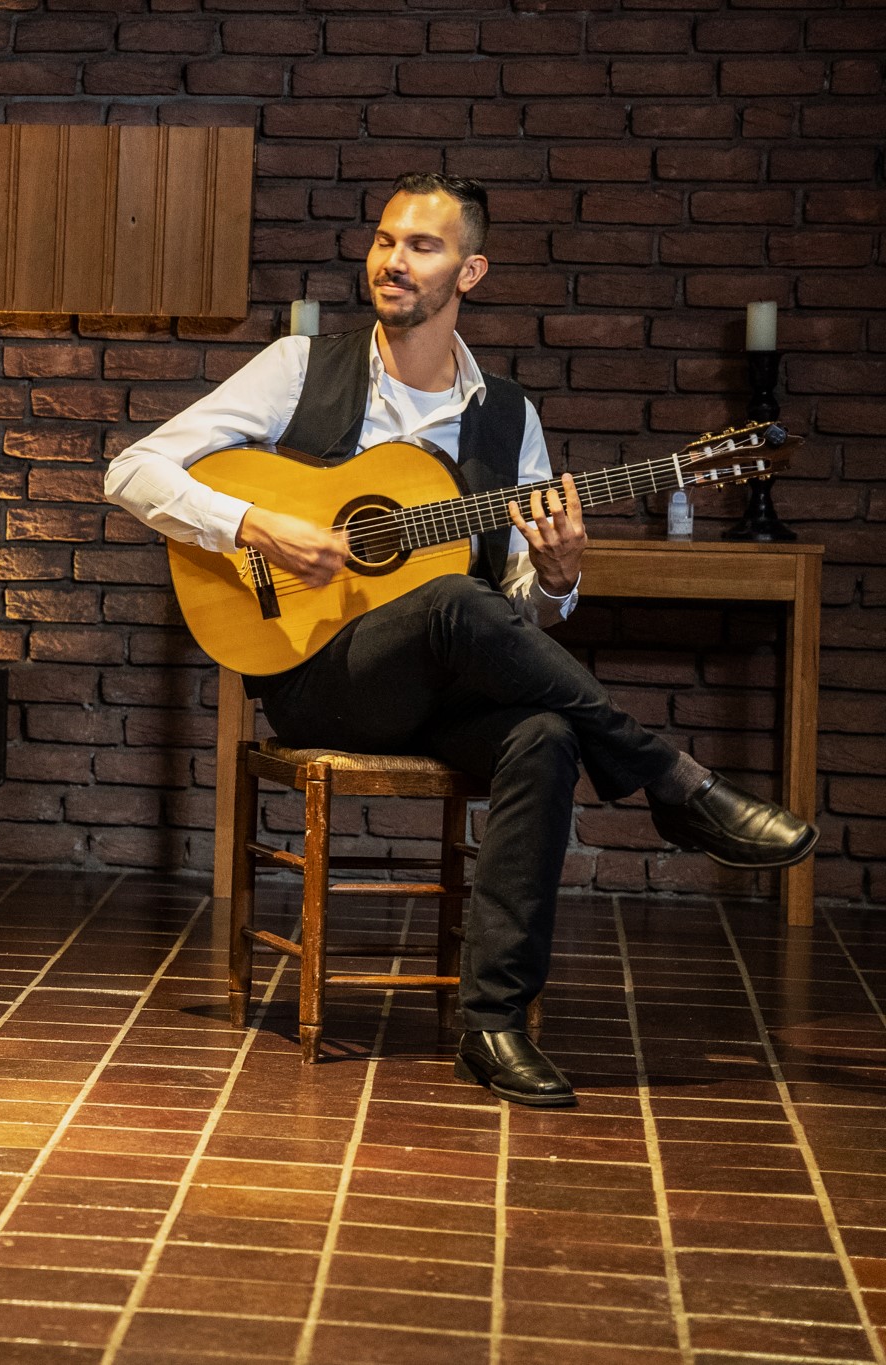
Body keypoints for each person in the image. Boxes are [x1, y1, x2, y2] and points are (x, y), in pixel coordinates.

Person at [104, 172, 814, 1108]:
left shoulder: (508, 416)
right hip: (319, 675)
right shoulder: (301, 365)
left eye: (422, 246)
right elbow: (131, 469)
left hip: (440, 693)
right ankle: (674, 781)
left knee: (546, 733)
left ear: (470, 270)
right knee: (448, 598)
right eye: (386, 240)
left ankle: (493, 1026)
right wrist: (257, 528)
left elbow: (517, 599)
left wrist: (556, 576)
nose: (393, 261)